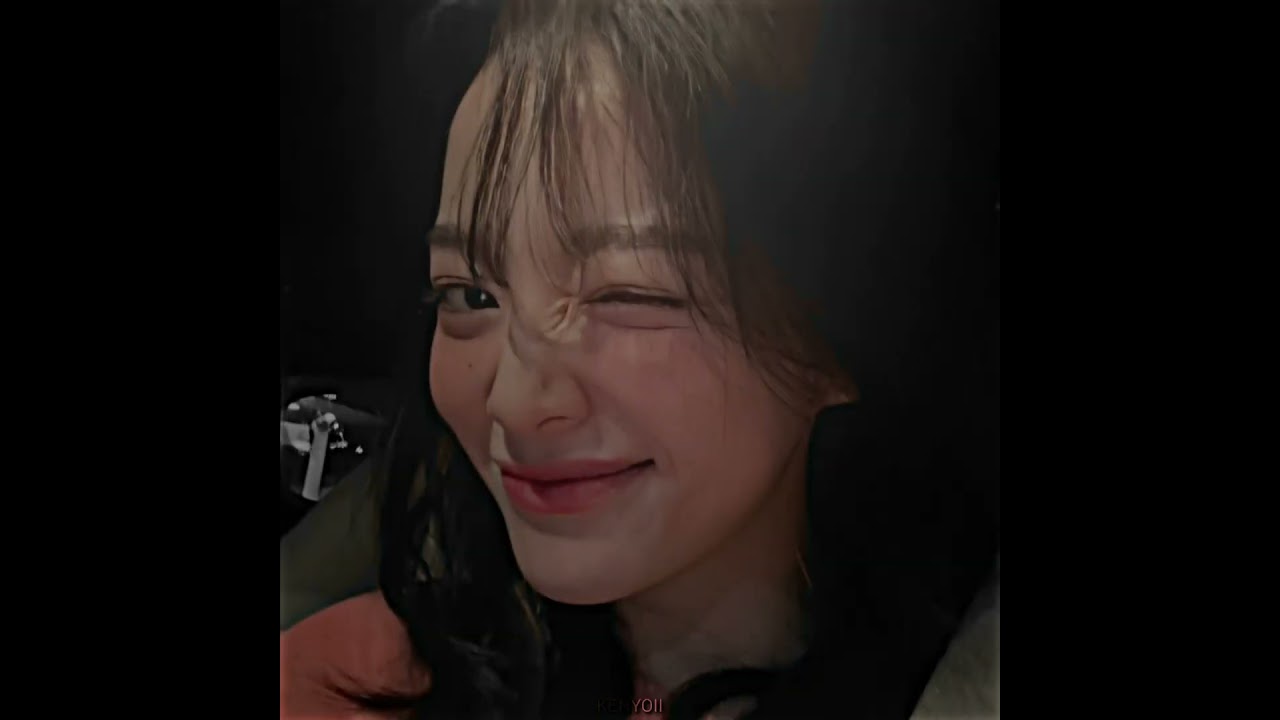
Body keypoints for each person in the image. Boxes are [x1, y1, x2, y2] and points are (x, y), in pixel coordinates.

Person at [281, 0, 999, 718]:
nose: (514, 402)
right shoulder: (350, 684)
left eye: (628, 292)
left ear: (834, 323)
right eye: (470, 295)